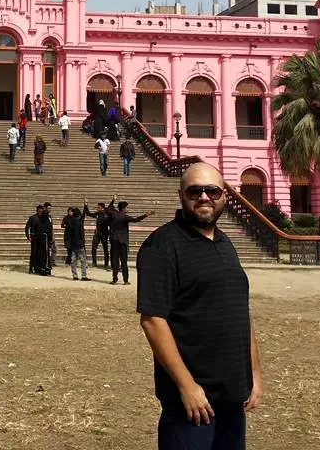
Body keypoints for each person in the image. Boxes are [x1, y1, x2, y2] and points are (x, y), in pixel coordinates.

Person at [136, 162, 262, 449]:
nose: (204, 197)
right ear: (182, 195)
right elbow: (153, 320)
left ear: (225, 196)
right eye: (195, 191)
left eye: (212, 190)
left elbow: (241, 312)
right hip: (192, 401)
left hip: (233, 395)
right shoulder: (163, 245)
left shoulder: (224, 242)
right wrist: (186, 386)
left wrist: (253, 373)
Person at [107, 198, 147, 285]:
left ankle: (114, 279)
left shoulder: (113, 214)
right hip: (123, 241)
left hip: (114, 240)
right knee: (124, 261)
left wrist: (113, 200)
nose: (127, 209)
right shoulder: (125, 217)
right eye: (126, 208)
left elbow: (108, 208)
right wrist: (146, 215)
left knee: (115, 260)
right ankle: (125, 280)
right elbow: (136, 220)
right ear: (123, 208)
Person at [83, 200, 111, 269]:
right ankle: (94, 262)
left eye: (99, 207)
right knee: (93, 248)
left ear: (102, 208)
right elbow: (88, 213)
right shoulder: (97, 214)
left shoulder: (107, 215)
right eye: (97, 207)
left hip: (104, 234)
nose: (97, 209)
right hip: (97, 234)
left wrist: (113, 200)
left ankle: (106, 264)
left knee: (105, 249)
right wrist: (86, 204)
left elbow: (110, 208)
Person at [64, 207, 89, 280]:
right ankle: (83, 275)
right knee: (83, 259)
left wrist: (67, 242)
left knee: (73, 259)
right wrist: (83, 241)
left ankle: (74, 275)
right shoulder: (79, 222)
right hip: (79, 243)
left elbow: (67, 233)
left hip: (72, 243)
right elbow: (81, 234)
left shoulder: (69, 221)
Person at [24, 205, 50, 275]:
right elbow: (27, 227)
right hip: (34, 238)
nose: (40, 212)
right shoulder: (33, 218)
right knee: (33, 253)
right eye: (39, 211)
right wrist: (28, 236)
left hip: (42, 238)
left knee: (40, 254)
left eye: (41, 211)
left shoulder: (44, 218)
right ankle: (31, 268)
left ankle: (38, 268)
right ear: (37, 211)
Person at [41, 202, 56, 270]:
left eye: (50, 208)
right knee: (45, 251)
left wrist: (53, 236)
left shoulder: (49, 216)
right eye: (48, 208)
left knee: (51, 250)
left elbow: (51, 227)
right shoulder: (43, 216)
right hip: (44, 236)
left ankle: (50, 263)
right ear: (45, 208)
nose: (50, 209)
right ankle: (45, 264)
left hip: (50, 236)